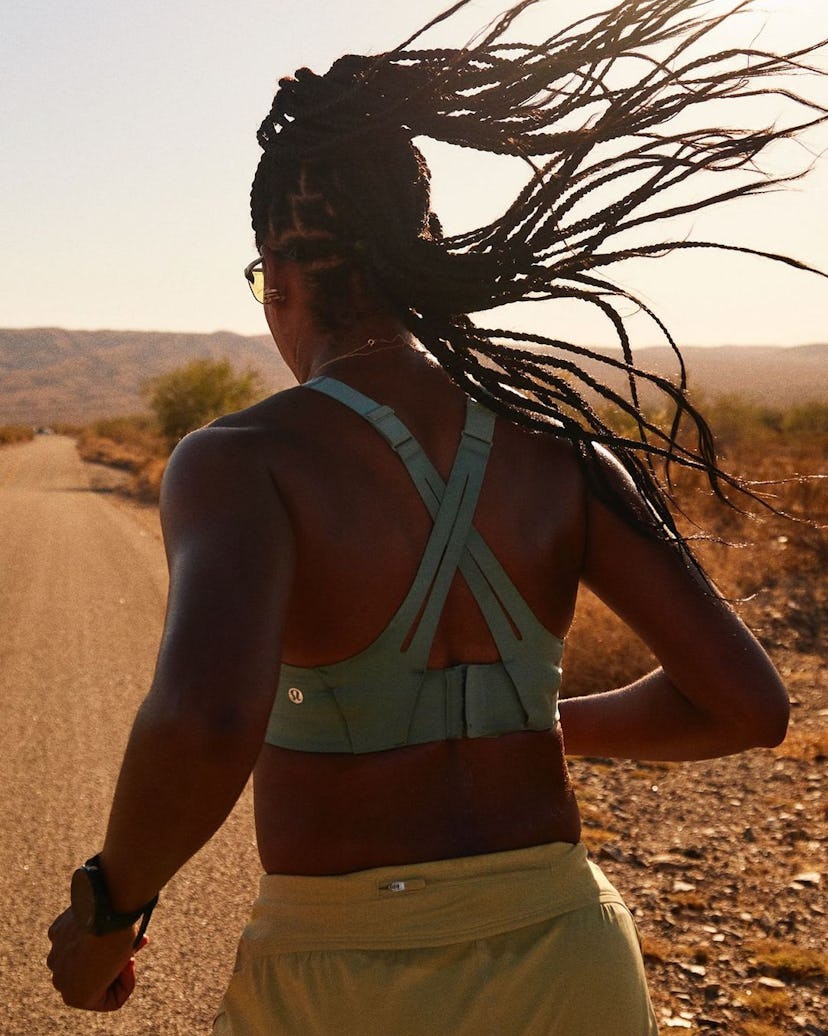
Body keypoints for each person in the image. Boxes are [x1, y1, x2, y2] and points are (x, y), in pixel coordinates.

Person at [47, 1, 822, 1032]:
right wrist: (541, 724)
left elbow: (208, 718)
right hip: (571, 960)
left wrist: (108, 909)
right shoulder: (560, 449)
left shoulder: (239, 461)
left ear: (278, 278)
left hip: (345, 977)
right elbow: (747, 708)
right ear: (424, 258)